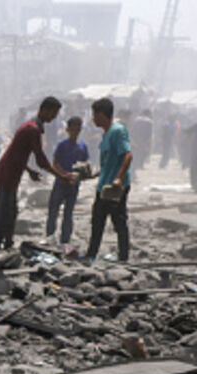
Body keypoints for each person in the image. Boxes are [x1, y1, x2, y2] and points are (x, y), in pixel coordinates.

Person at [0, 96, 73, 253]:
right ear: (44, 110)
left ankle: (6, 243)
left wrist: (29, 170)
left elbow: (18, 153)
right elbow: (40, 159)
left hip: (11, 171)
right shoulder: (32, 129)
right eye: (53, 113)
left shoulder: (30, 126)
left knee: (9, 210)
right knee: (4, 212)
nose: (54, 117)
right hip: (9, 173)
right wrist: (61, 176)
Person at [84, 97, 133, 263]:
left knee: (119, 221)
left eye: (94, 115)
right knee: (97, 220)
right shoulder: (106, 134)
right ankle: (91, 254)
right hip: (103, 186)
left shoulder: (118, 131)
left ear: (102, 114)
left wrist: (119, 179)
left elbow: (127, 155)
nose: (93, 119)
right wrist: (95, 175)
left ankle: (123, 257)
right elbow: (109, 162)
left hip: (115, 187)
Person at [45, 116, 89, 247]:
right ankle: (50, 236)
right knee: (53, 211)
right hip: (60, 182)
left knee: (68, 213)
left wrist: (80, 175)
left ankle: (65, 239)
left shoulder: (83, 146)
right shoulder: (62, 145)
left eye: (77, 130)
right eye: (73, 129)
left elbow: (84, 164)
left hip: (74, 185)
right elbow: (55, 163)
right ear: (67, 130)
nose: (75, 132)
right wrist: (64, 175)